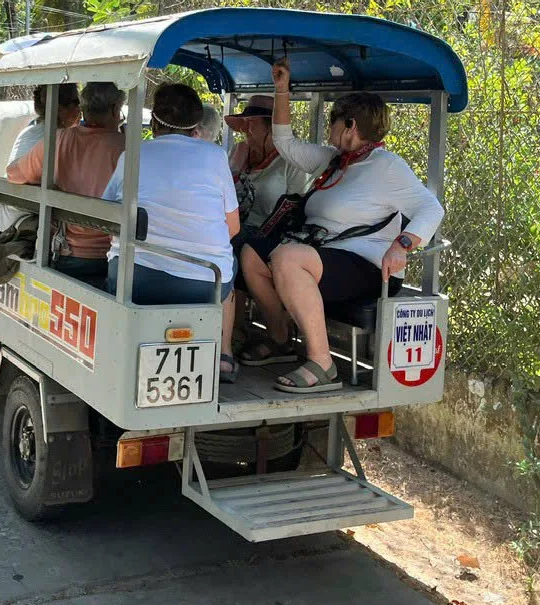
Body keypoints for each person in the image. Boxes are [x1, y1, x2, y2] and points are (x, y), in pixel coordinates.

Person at [240, 60, 444, 393]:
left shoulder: (387, 166)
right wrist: (281, 90)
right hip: (324, 256)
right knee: (252, 253)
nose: (329, 131)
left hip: (368, 266)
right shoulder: (334, 161)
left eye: (332, 123)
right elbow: (286, 143)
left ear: (349, 125)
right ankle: (279, 339)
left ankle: (323, 364)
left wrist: (403, 244)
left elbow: (430, 208)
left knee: (288, 258)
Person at [102, 83, 241, 380]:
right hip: (204, 285)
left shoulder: (132, 157)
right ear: (196, 124)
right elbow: (234, 227)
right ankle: (223, 357)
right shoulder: (215, 156)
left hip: (134, 279)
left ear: (154, 123)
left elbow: (106, 215)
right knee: (232, 265)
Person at [7, 82, 126, 285]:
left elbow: (13, 174)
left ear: (83, 109)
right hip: (116, 256)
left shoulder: (58, 140)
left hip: (67, 252)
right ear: (115, 109)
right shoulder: (127, 148)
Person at [224, 96, 312, 366]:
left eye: (252, 125)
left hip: (276, 233)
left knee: (237, 247)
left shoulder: (291, 162)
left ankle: (267, 334)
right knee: (222, 241)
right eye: (245, 125)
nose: (247, 131)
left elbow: (296, 207)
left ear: (272, 127)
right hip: (236, 227)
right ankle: (231, 330)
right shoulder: (239, 153)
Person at [0, 84, 80, 234]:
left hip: (6, 219)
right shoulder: (57, 137)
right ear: (61, 108)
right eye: (76, 103)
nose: (79, 109)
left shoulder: (31, 131)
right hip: (23, 224)